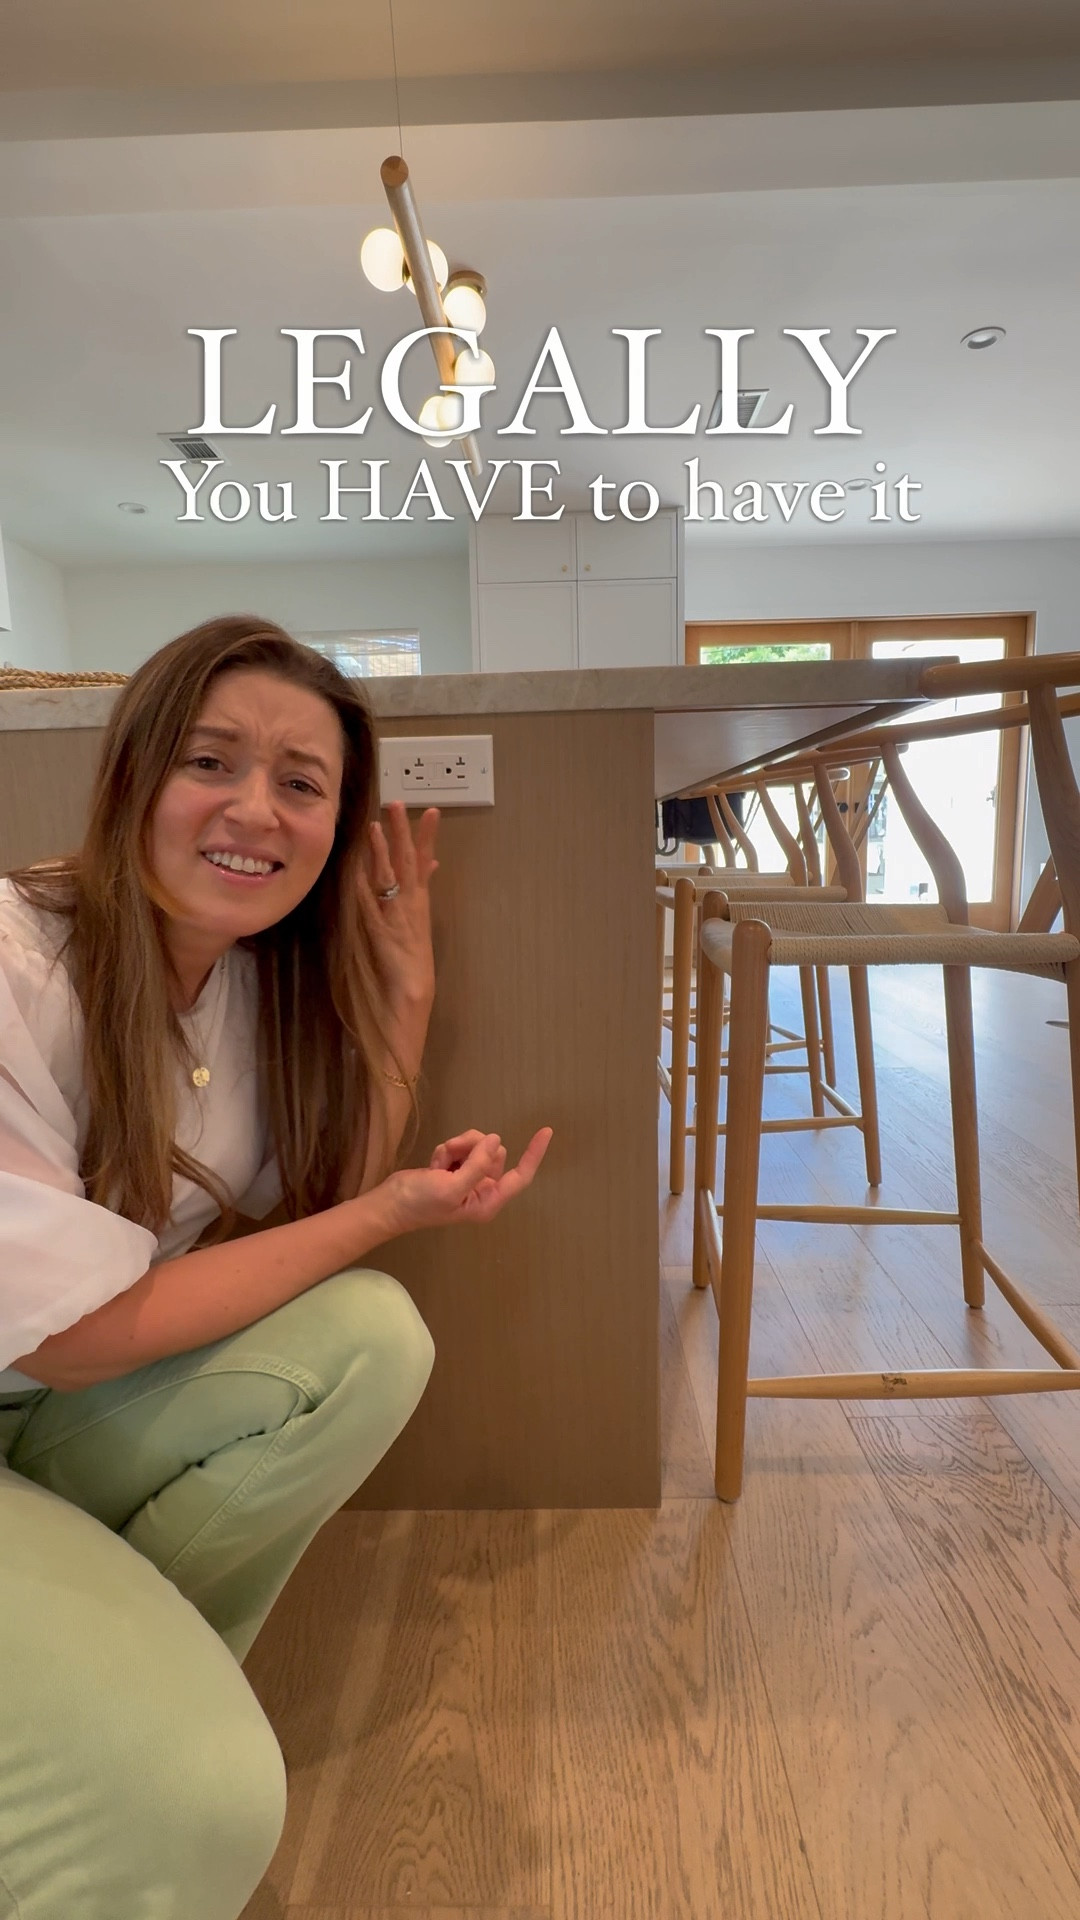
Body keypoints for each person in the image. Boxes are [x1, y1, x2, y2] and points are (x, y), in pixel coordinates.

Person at [0, 614, 553, 1920]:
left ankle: (123, 1709)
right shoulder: (18, 957)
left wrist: (406, 1004)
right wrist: (391, 1213)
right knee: (208, 1808)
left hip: (40, 1422)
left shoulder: (246, 985)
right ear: (134, 774)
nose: (256, 810)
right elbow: (72, 1339)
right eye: (211, 762)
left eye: (302, 783)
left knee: (368, 1336)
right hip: (54, 1380)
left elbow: (298, 1239)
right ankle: (128, 1742)